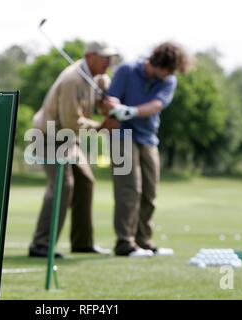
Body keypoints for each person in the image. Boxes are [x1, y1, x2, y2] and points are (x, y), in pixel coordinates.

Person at [28, 41, 118, 258]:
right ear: (90, 56)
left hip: (68, 139)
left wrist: (105, 104)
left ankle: (82, 242)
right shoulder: (72, 79)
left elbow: (97, 102)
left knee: (85, 181)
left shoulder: (98, 77)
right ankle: (40, 244)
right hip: (49, 136)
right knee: (62, 184)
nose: (108, 61)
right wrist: (101, 126)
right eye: (104, 57)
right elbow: (71, 121)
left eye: (110, 57)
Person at [102, 41, 191, 257]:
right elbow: (107, 104)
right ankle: (125, 243)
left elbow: (156, 106)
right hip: (121, 136)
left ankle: (143, 241)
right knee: (129, 190)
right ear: (156, 62)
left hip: (148, 138)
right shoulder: (126, 71)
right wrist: (112, 105)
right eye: (167, 70)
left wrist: (130, 110)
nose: (169, 75)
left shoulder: (168, 80)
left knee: (149, 193)